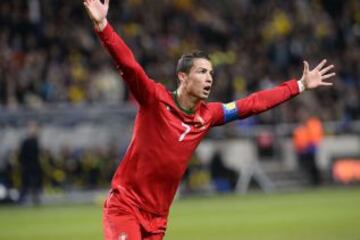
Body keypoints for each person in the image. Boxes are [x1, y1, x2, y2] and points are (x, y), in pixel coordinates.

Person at [83, 0, 336, 239]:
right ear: (182, 77)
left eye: (211, 73)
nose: (209, 78)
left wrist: (300, 85)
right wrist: (103, 26)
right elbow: (129, 65)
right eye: (202, 72)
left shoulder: (208, 115)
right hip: (125, 206)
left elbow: (252, 104)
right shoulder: (154, 100)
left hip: (158, 217)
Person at [18, 121, 42, 206]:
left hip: (34, 166)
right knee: (25, 184)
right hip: (27, 166)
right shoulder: (26, 142)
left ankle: (36, 201)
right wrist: (23, 165)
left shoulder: (36, 141)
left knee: (35, 184)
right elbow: (21, 155)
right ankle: (21, 200)